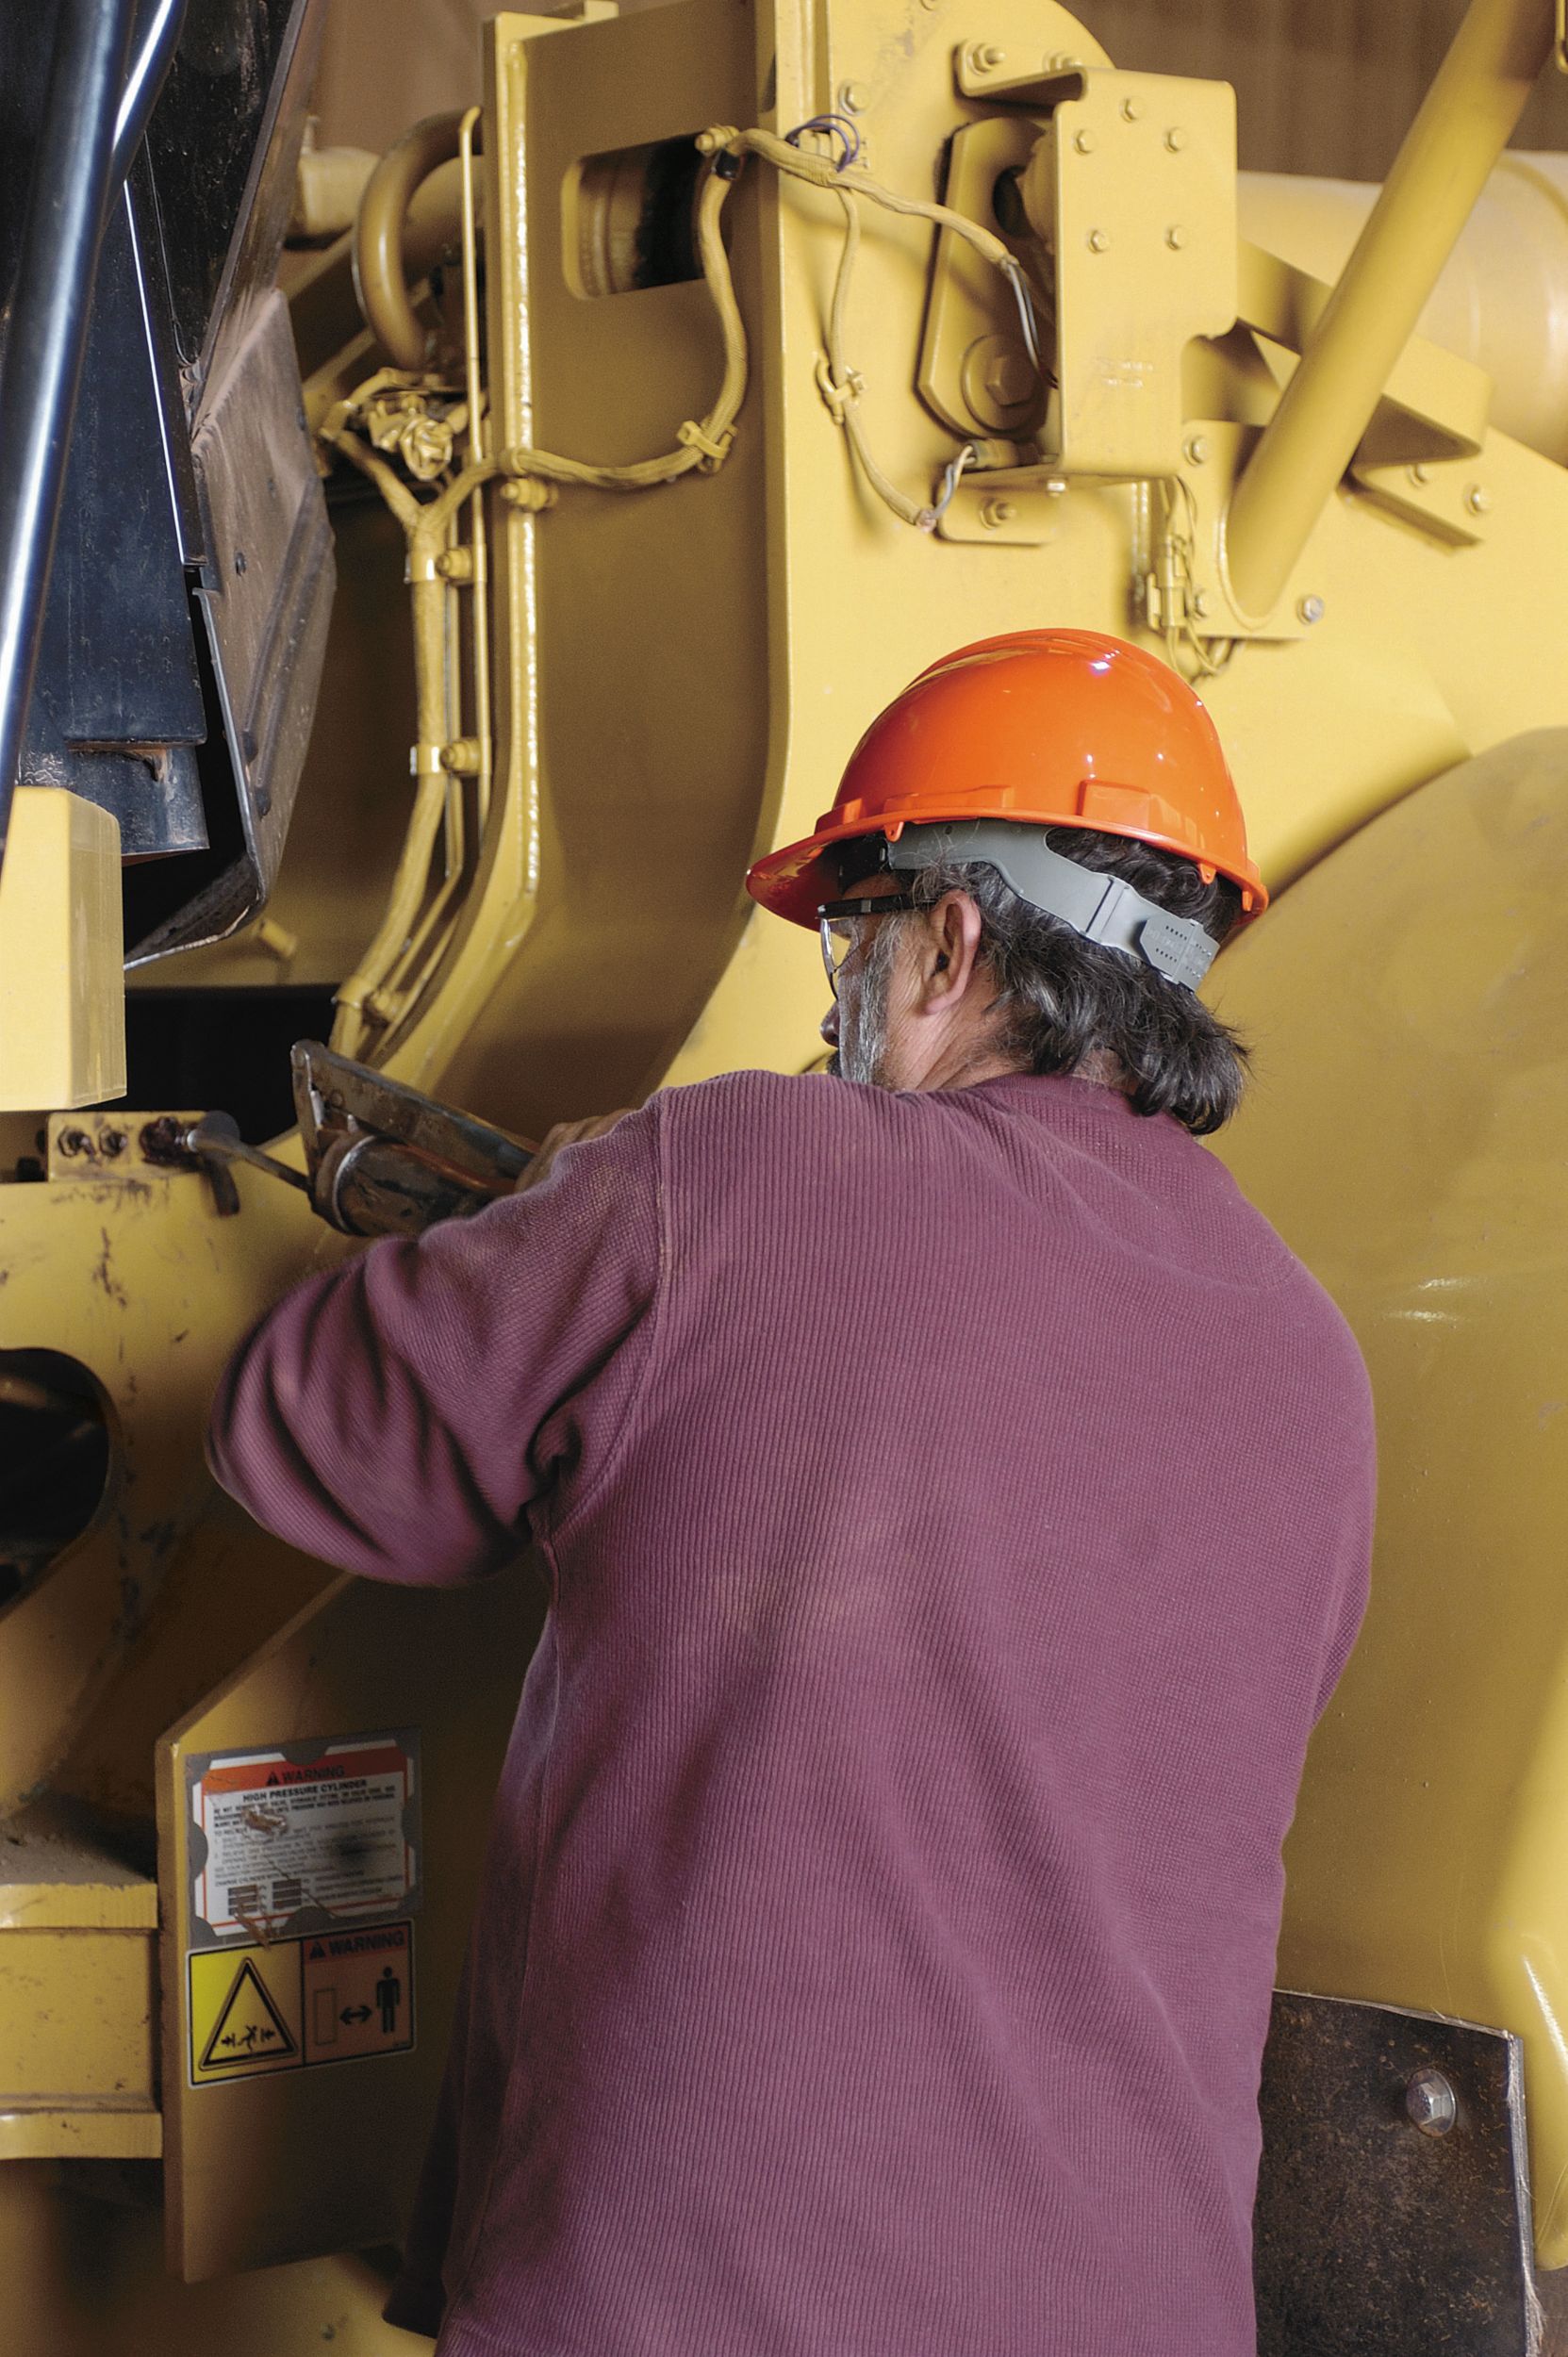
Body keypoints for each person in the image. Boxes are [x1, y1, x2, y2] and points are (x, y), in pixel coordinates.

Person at [207, 628, 1374, 2357]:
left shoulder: (733, 1174)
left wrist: (566, 1231)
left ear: (950, 946)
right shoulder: (1315, 1362)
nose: (840, 987)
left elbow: (305, 1439)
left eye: (854, 931)